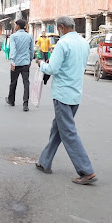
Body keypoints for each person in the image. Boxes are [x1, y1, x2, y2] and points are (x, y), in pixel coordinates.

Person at [34, 16, 97, 185]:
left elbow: (52, 68)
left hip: (62, 94)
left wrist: (41, 64)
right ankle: (44, 162)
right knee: (58, 129)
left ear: (62, 27)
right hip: (75, 93)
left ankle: (86, 170)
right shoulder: (84, 43)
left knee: (68, 132)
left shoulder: (62, 43)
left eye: (58, 28)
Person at [6, 19, 35, 112]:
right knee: (26, 83)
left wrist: (12, 61)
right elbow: (31, 50)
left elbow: (13, 49)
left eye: (15, 25)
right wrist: (30, 59)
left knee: (13, 82)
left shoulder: (13, 36)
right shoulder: (29, 36)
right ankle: (25, 104)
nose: (15, 27)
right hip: (25, 63)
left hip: (16, 63)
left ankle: (11, 100)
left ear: (18, 26)